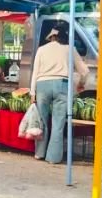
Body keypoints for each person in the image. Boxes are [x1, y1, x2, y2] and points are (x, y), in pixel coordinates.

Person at [30, 22, 88, 164]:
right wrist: (81, 84)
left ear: (52, 36)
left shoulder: (42, 49)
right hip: (62, 85)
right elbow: (85, 71)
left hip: (42, 85)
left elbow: (35, 72)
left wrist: (32, 93)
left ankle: (39, 153)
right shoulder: (70, 49)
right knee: (58, 123)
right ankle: (53, 158)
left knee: (42, 121)